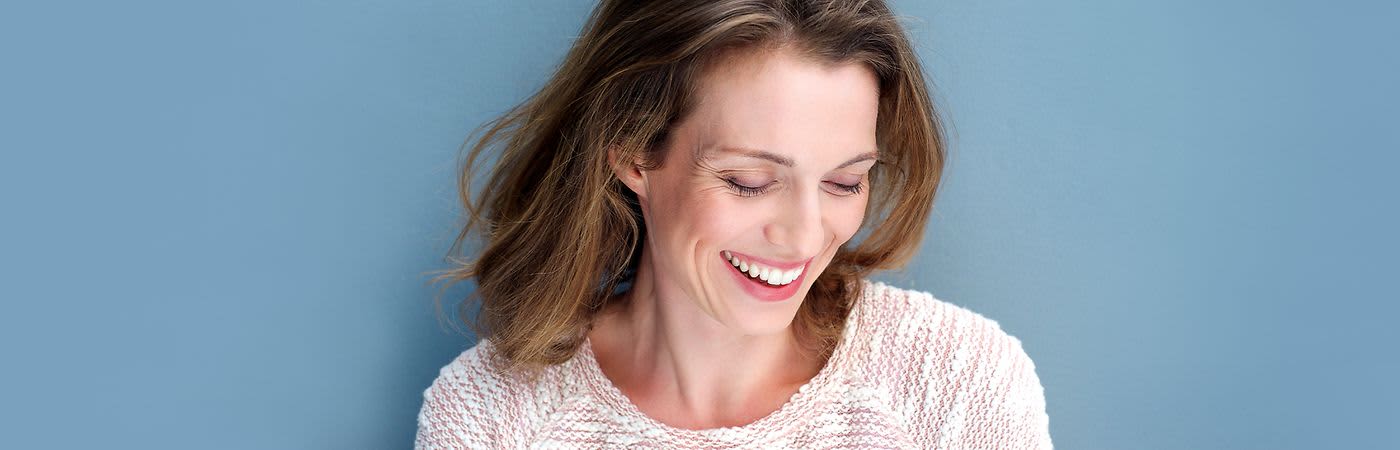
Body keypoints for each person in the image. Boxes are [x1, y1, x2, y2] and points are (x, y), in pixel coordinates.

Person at [415, 0, 1051, 448]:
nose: (805, 237)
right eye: (751, 183)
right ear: (635, 152)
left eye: (844, 182)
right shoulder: (494, 417)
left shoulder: (957, 381)